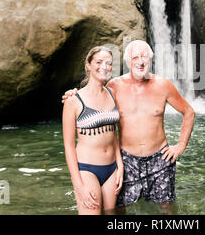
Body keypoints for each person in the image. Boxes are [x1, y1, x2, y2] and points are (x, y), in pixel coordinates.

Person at [62, 40, 195, 211]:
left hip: (160, 159)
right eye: (135, 57)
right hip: (127, 160)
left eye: (144, 57)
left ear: (150, 59)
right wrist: (72, 94)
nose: (140, 61)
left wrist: (180, 146)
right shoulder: (114, 87)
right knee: (119, 208)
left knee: (167, 207)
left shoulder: (163, 85)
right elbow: (93, 93)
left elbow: (189, 112)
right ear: (127, 62)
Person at [62, 46, 124, 215]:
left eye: (109, 63)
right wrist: (78, 184)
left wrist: (120, 166)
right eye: (98, 62)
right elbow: (68, 146)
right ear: (88, 65)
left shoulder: (112, 93)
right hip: (87, 170)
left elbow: (113, 134)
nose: (104, 66)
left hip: (112, 170)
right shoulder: (73, 101)